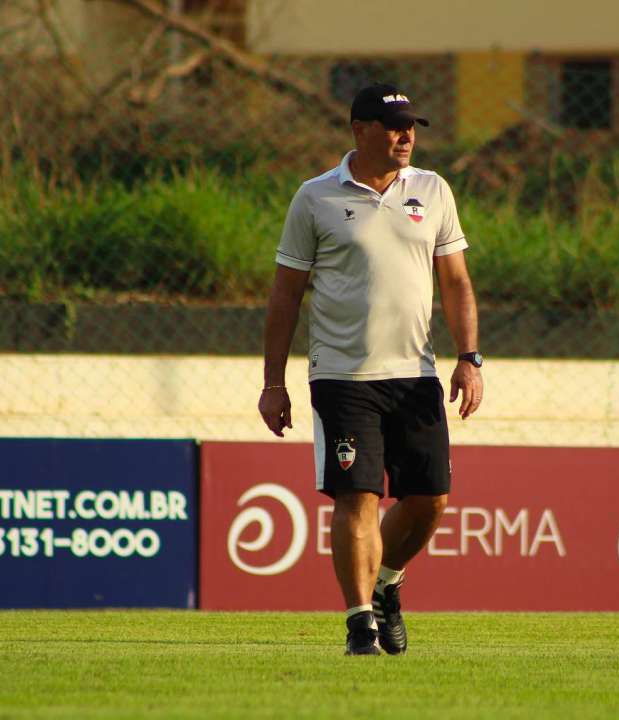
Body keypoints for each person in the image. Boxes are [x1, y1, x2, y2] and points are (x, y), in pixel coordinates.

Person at [257, 83, 483, 656]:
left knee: (430, 498)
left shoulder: (432, 190)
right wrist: (273, 383)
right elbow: (285, 296)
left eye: (412, 126)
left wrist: (470, 359)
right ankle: (361, 622)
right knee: (358, 497)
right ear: (360, 130)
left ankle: (386, 586)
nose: (406, 136)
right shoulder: (315, 198)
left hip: (416, 375)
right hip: (341, 376)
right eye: (393, 126)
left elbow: (455, 282)